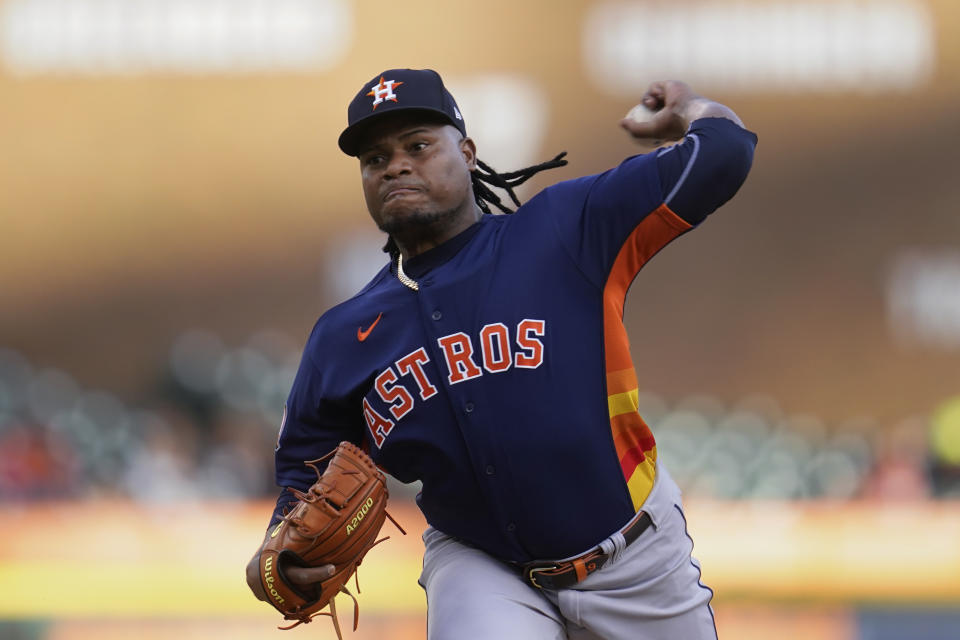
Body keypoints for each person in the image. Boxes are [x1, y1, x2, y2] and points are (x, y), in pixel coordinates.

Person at [246, 68, 756, 639]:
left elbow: (725, 153)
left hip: (634, 558)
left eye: (417, 146)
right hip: (479, 564)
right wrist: (275, 555)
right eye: (374, 159)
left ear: (466, 153)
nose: (394, 165)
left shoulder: (562, 231)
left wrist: (687, 107)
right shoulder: (343, 335)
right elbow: (303, 463)